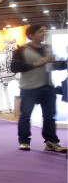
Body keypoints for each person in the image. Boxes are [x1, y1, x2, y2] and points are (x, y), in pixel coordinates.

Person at [13, 24, 67, 153]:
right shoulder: (21, 50)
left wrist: (58, 64)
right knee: (25, 116)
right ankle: (24, 141)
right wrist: (38, 62)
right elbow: (14, 68)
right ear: (31, 35)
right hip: (29, 88)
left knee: (49, 117)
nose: (44, 33)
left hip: (48, 87)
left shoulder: (48, 48)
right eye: (41, 31)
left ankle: (51, 142)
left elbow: (53, 66)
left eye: (45, 31)